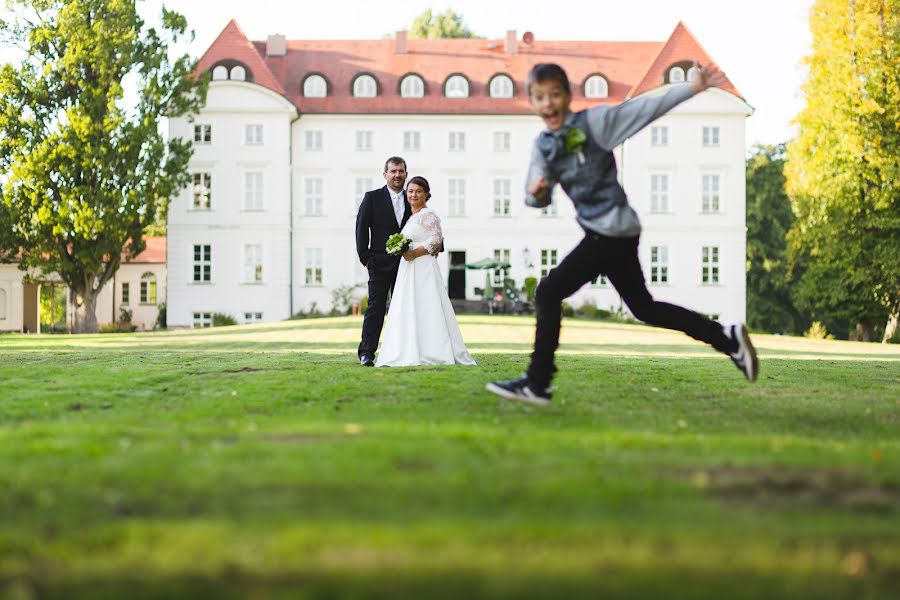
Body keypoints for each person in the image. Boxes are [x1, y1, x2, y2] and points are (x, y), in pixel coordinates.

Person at [486, 62, 758, 406]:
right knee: (644, 309)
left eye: (555, 94)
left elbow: (641, 109)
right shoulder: (543, 146)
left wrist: (691, 88)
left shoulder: (595, 123)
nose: (549, 103)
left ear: (568, 96)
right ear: (532, 102)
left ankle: (537, 383)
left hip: (610, 230)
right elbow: (534, 194)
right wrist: (537, 192)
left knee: (548, 292)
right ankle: (727, 338)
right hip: (613, 233)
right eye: (540, 97)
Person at [375, 176, 476, 367]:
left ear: (426, 194)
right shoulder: (412, 217)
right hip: (409, 270)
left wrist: (413, 253)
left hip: (422, 268)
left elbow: (436, 239)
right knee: (410, 307)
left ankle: (433, 351)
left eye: (418, 191)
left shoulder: (428, 215)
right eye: (411, 191)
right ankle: (410, 348)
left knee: (427, 307)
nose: (414, 195)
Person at [355, 157, 411, 366]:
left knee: (403, 309)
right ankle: (366, 353)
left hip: (406, 264)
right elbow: (361, 228)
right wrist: (366, 258)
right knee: (375, 308)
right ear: (385, 174)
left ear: (406, 174)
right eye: (393, 171)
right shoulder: (372, 198)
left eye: (401, 171)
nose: (397, 175)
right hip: (377, 263)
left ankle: (400, 352)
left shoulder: (412, 198)